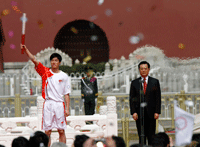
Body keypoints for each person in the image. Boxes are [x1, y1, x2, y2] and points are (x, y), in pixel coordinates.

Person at [21, 44, 71, 147]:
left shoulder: (64, 76)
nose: (54, 62)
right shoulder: (45, 72)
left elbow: (66, 94)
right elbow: (34, 60)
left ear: (59, 62)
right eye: (52, 60)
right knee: (47, 131)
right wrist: (26, 50)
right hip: (48, 104)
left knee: (61, 131)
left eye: (56, 60)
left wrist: (67, 109)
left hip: (59, 105)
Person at [129, 61, 161, 145]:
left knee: (151, 135)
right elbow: (132, 98)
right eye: (141, 69)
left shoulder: (155, 82)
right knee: (141, 135)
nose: (143, 70)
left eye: (145, 69)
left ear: (149, 69)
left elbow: (158, 97)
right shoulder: (135, 83)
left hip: (151, 113)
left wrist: (157, 111)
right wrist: (133, 112)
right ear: (139, 70)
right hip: (139, 113)